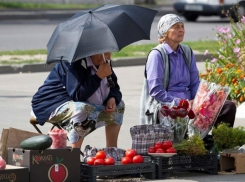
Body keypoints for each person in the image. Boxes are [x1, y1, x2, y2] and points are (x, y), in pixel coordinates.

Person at [140, 14, 236, 131]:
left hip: (190, 103)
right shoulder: (157, 55)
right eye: (175, 27)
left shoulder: (187, 51)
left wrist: (199, 102)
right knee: (181, 113)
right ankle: (194, 140)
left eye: (182, 26)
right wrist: (181, 103)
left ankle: (216, 143)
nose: (181, 30)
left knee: (227, 107)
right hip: (168, 106)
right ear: (165, 31)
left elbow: (195, 83)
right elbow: (156, 91)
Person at [31, 52, 125, 149]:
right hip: (51, 103)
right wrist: (98, 76)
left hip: (77, 101)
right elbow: (78, 95)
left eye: (110, 53)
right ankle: (74, 154)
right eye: (105, 53)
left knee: (119, 105)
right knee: (81, 109)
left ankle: (111, 150)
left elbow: (114, 86)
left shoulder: (104, 62)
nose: (108, 56)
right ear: (93, 51)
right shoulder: (72, 63)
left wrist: (112, 97)